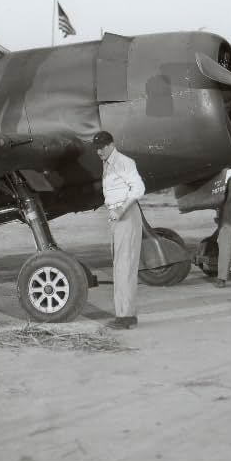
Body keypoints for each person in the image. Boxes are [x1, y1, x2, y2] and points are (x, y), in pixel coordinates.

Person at [94, 131, 146, 329]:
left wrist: (122, 209)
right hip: (117, 216)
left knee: (124, 266)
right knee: (120, 265)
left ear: (111, 144)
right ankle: (127, 314)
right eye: (97, 148)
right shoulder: (107, 163)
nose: (99, 151)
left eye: (102, 147)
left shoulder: (123, 162)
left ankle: (124, 317)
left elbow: (138, 188)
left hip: (126, 214)